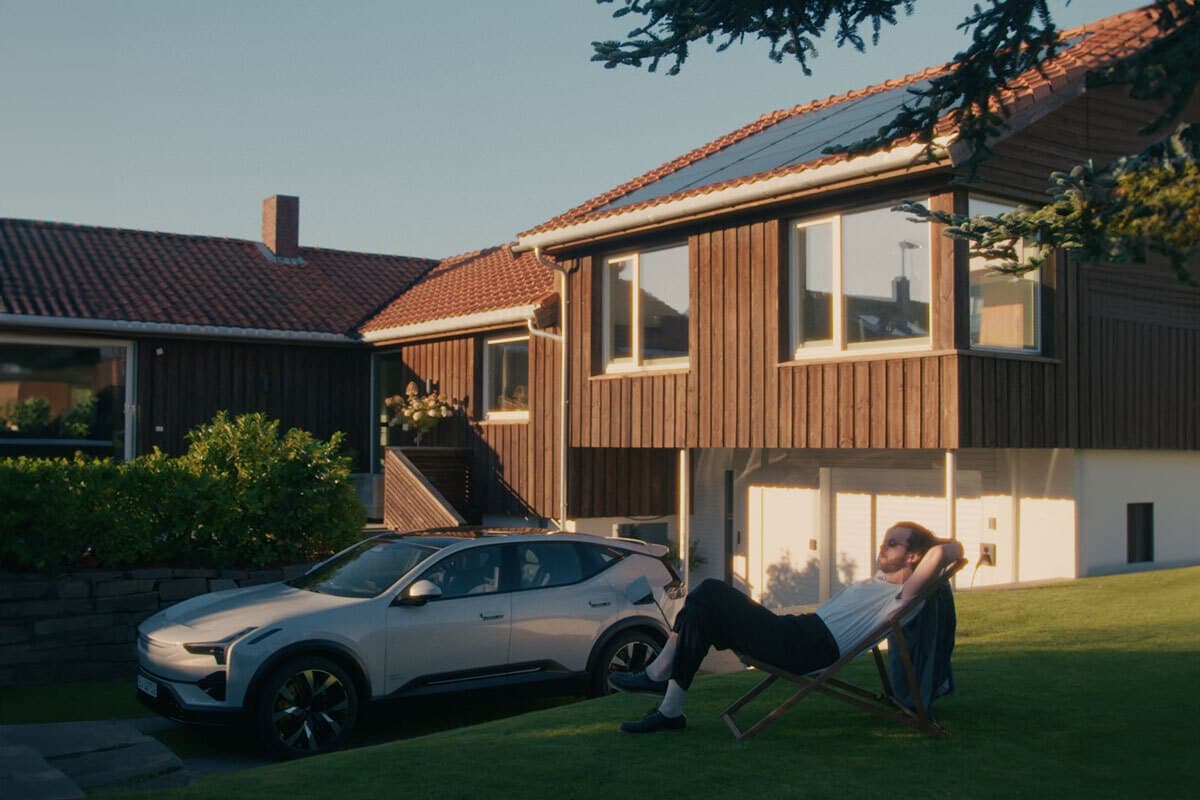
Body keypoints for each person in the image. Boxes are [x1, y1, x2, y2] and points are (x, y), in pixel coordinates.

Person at [609, 521, 964, 733]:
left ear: (914, 557)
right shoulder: (881, 581)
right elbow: (931, 553)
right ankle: (669, 711)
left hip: (807, 646)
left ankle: (658, 675)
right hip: (798, 631)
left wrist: (940, 546)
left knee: (712, 590)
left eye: (893, 543)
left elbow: (945, 551)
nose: (882, 546)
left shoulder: (906, 597)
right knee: (700, 612)